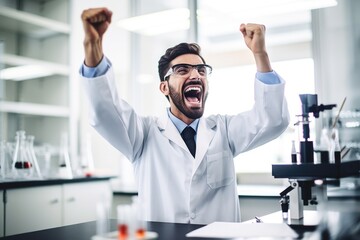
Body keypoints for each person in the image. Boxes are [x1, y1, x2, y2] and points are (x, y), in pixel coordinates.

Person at [80, 7, 290, 224]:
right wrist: (92, 46)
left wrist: (260, 54)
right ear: (164, 87)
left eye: (201, 70)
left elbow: (272, 119)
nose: (195, 75)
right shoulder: (143, 135)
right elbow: (105, 111)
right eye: (182, 70)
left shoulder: (224, 131)